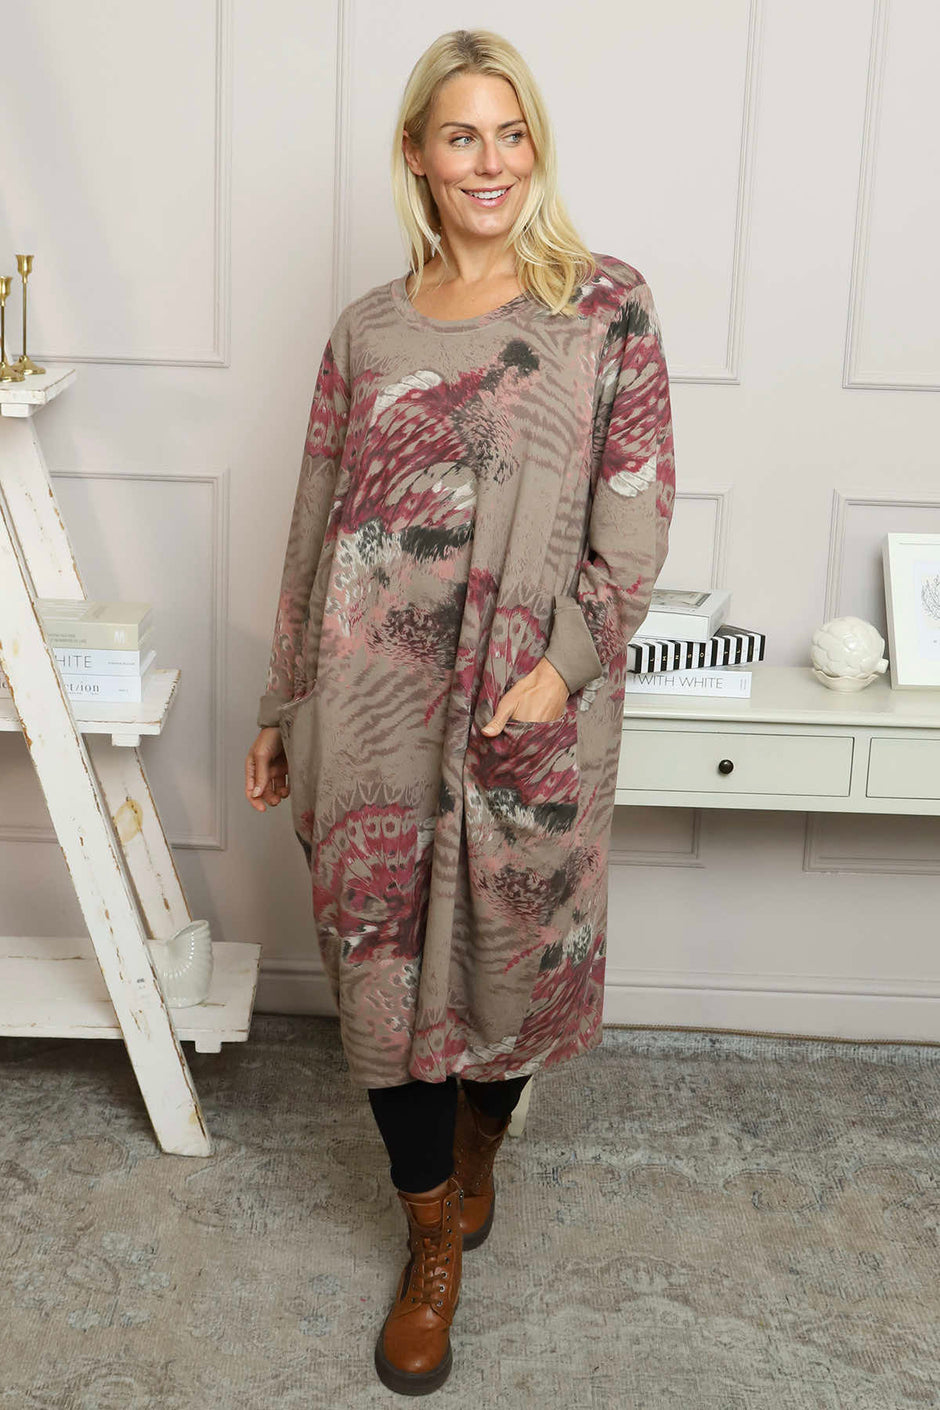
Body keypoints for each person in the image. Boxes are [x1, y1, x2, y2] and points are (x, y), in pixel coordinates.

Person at [244, 27, 676, 1396]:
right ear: (418, 158)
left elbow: (636, 512)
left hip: (519, 707)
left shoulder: (606, 307)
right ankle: (431, 1238)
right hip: (368, 712)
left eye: (510, 132)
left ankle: (480, 1143)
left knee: (511, 968)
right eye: (460, 136)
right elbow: (315, 519)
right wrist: (283, 701)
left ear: (534, 146)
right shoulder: (367, 330)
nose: (489, 161)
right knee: (376, 965)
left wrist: (565, 665)